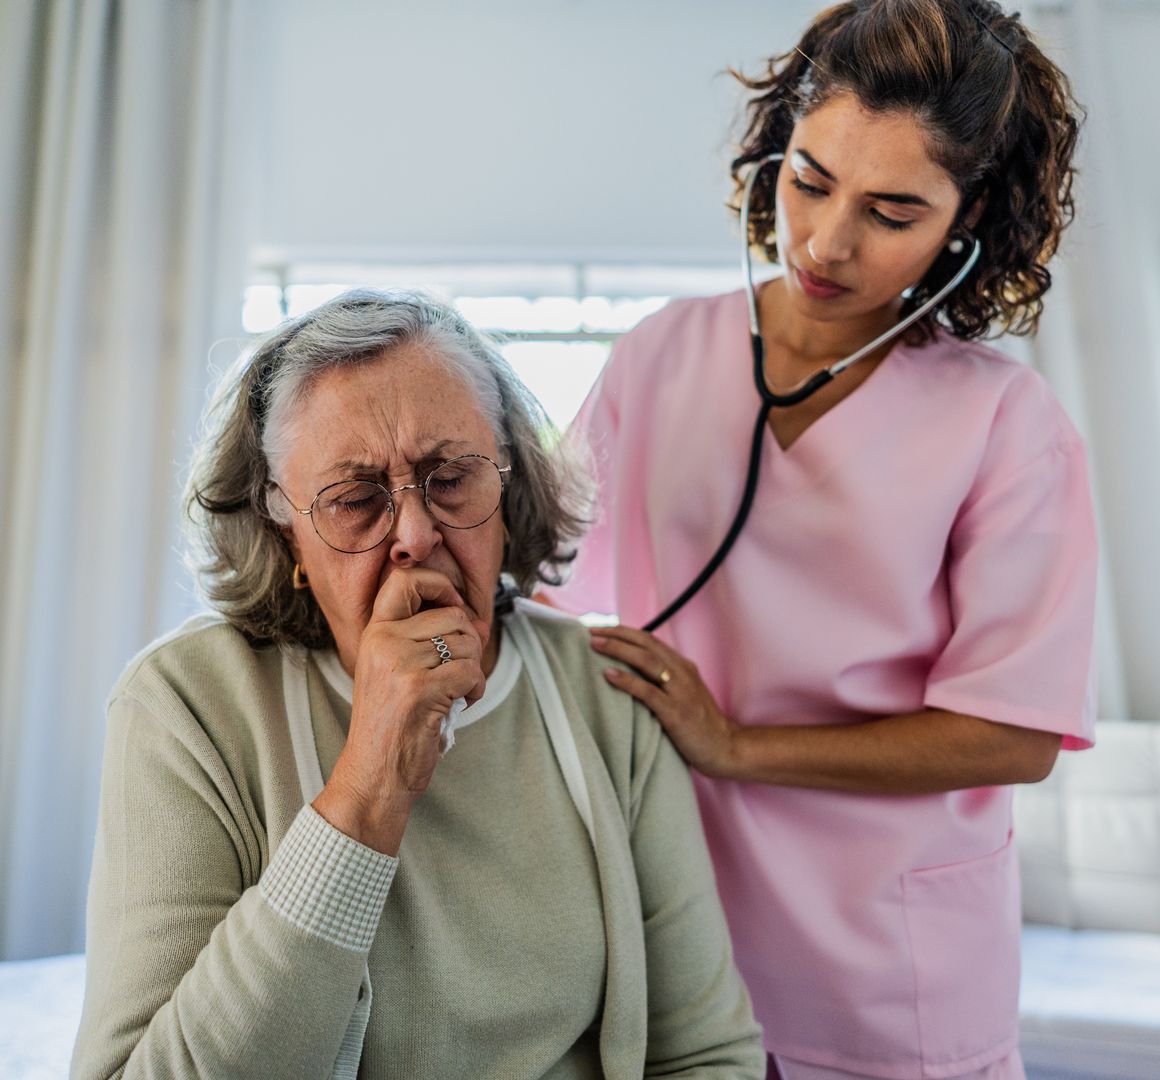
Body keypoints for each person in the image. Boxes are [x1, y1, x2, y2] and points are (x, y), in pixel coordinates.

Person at [542, 3, 1096, 1078]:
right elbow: (538, 584)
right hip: (684, 935)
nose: (827, 242)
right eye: (809, 179)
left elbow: (1012, 735)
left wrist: (736, 745)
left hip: (893, 971)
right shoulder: (661, 356)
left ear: (968, 217)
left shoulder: (1007, 425)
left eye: (893, 211)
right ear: (772, 155)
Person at [70, 290, 764, 1079]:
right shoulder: (185, 705)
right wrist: (369, 789)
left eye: (451, 479)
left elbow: (708, 1054)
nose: (413, 535)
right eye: (356, 500)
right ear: (285, 532)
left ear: (510, 493)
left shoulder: (607, 694)